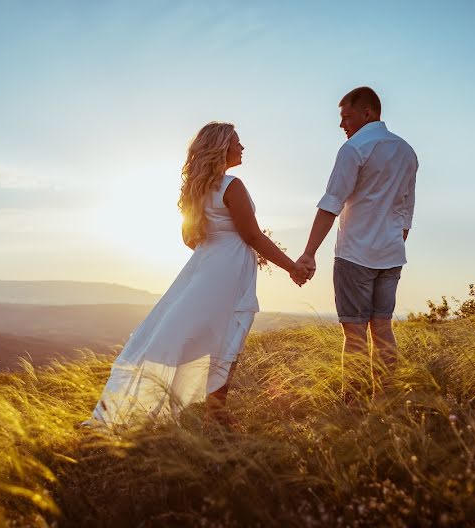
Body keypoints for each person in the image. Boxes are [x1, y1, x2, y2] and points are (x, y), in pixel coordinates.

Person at [84, 122, 312, 428]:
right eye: (237, 142)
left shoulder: (197, 191)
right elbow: (253, 236)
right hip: (227, 270)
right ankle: (216, 414)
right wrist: (292, 267)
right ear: (221, 148)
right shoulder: (233, 186)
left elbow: (189, 239)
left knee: (199, 334)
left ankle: (211, 412)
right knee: (228, 334)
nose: (242, 148)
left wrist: (216, 247)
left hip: (206, 267)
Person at [297, 86, 418, 405]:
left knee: (354, 334)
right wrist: (392, 242)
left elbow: (331, 203)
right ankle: (386, 401)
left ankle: (353, 404)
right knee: (382, 327)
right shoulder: (407, 151)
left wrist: (309, 252)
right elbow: (407, 210)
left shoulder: (354, 149)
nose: (342, 125)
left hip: (355, 255)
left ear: (368, 113)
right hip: (391, 256)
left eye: (347, 117)